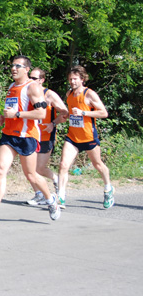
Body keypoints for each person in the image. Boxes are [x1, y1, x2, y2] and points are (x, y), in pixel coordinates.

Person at [0, 56, 60, 226]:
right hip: (9, 135)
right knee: (0, 170)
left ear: (26, 69)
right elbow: (14, 108)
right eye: (12, 66)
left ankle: (50, 199)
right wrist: (3, 117)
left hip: (27, 137)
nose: (13, 68)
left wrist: (16, 115)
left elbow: (41, 115)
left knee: (31, 175)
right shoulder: (11, 87)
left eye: (18, 66)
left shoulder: (33, 88)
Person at [57, 65, 114, 209]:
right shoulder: (69, 94)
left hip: (88, 137)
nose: (72, 82)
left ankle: (108, 189)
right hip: (73, 137)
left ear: (82, 79)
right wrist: (59, 120)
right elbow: (71, 113)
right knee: (63, 165)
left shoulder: (89, 94)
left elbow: (104, 113)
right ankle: (61, 197)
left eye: (75, 79)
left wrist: (83, 113)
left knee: (98, 165)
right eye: (70, 79)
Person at [25, 68, 68, 206]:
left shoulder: (49, 95)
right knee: (29, 169)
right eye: (29, 77)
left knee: (39, 168)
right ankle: (39, 194)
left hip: (45, 135)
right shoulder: (27, 92)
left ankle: (55, 178)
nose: (31, 81)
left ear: (42, 80)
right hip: (30, 134)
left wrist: (53, 123)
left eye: (34, 78)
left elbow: (65, 113)